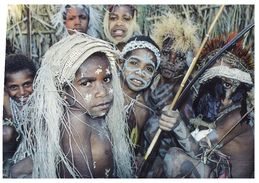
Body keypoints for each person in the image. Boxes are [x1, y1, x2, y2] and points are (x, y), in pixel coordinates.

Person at [10, 33, 134, 178]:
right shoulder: (75, 120)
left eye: (106, 79)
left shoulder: (93, 112)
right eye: (86, 83)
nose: (102, 92)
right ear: (63, 91)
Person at [160, 33, 254, 178]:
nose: (223, 93)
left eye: (229, 84)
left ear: (241, 87)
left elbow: (199, 152)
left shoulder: (239, 116)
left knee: (175, 159)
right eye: (215, 83)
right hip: (210, 167)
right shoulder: (210, 107)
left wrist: (178, 126)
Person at [141, 13, 200, 177]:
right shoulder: (150, 78)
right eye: (166, 53)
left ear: (187, 62)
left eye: (179, 57)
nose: (171, 61)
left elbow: (187, 141)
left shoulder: (184, 92)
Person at [3, 54, 37, 178]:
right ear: (5, 88)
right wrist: (9, 110)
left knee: (15, 172)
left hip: (38, 152)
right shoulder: (6, 102)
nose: (22, 92)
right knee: (6, 132)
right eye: (14, 87)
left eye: (27, 84)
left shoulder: (42, 103)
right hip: (17, 149)